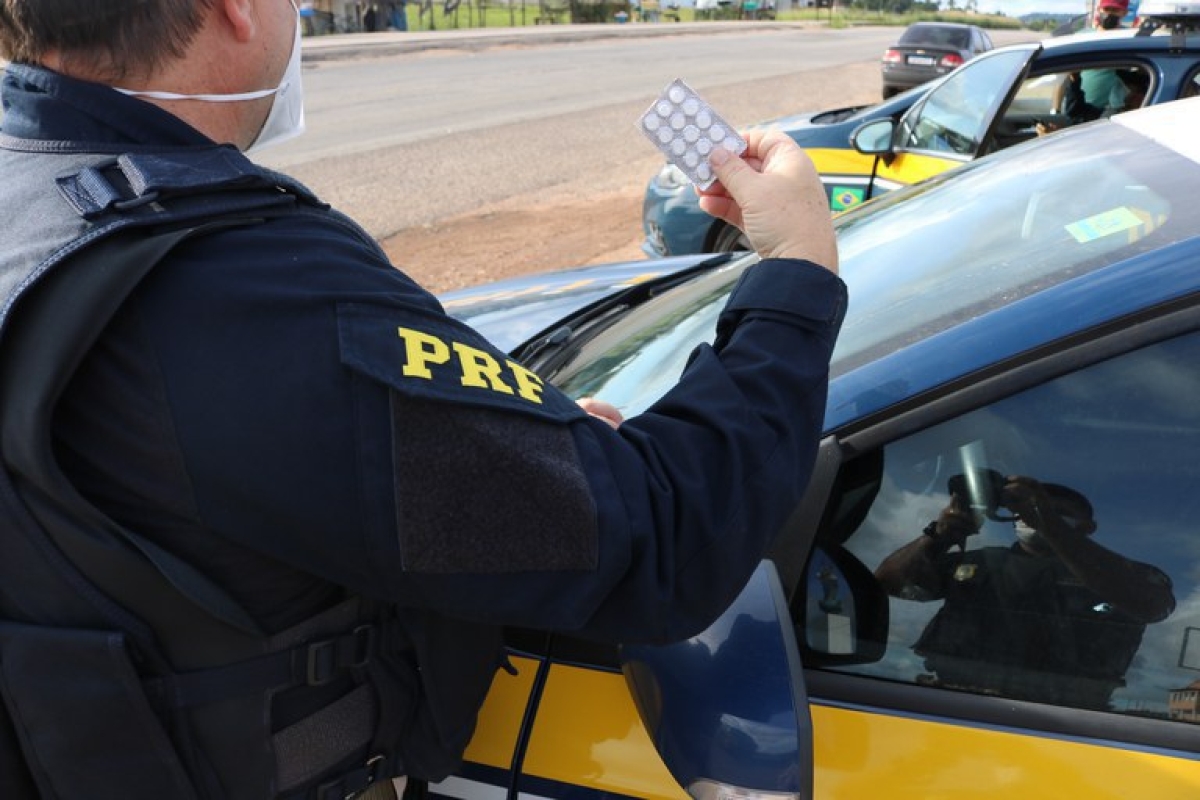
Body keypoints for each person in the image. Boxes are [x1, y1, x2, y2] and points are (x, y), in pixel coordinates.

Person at [0, 2, 844, 798]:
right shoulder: (235, 284)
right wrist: (798, 270)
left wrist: (508, 456)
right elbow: (663, 537)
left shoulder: (31, 197)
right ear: (233, 8)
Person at [875, 472, 1175, 711]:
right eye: (1022, 509)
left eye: (1058, 512)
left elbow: (1151, 605)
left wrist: (1050, 524)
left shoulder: (1121, 574)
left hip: (1064, 720)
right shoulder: (979, 562)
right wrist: (938, 536)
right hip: (949, 704)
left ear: (1088, 527)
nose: (1031, 517)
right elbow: (889, 583)